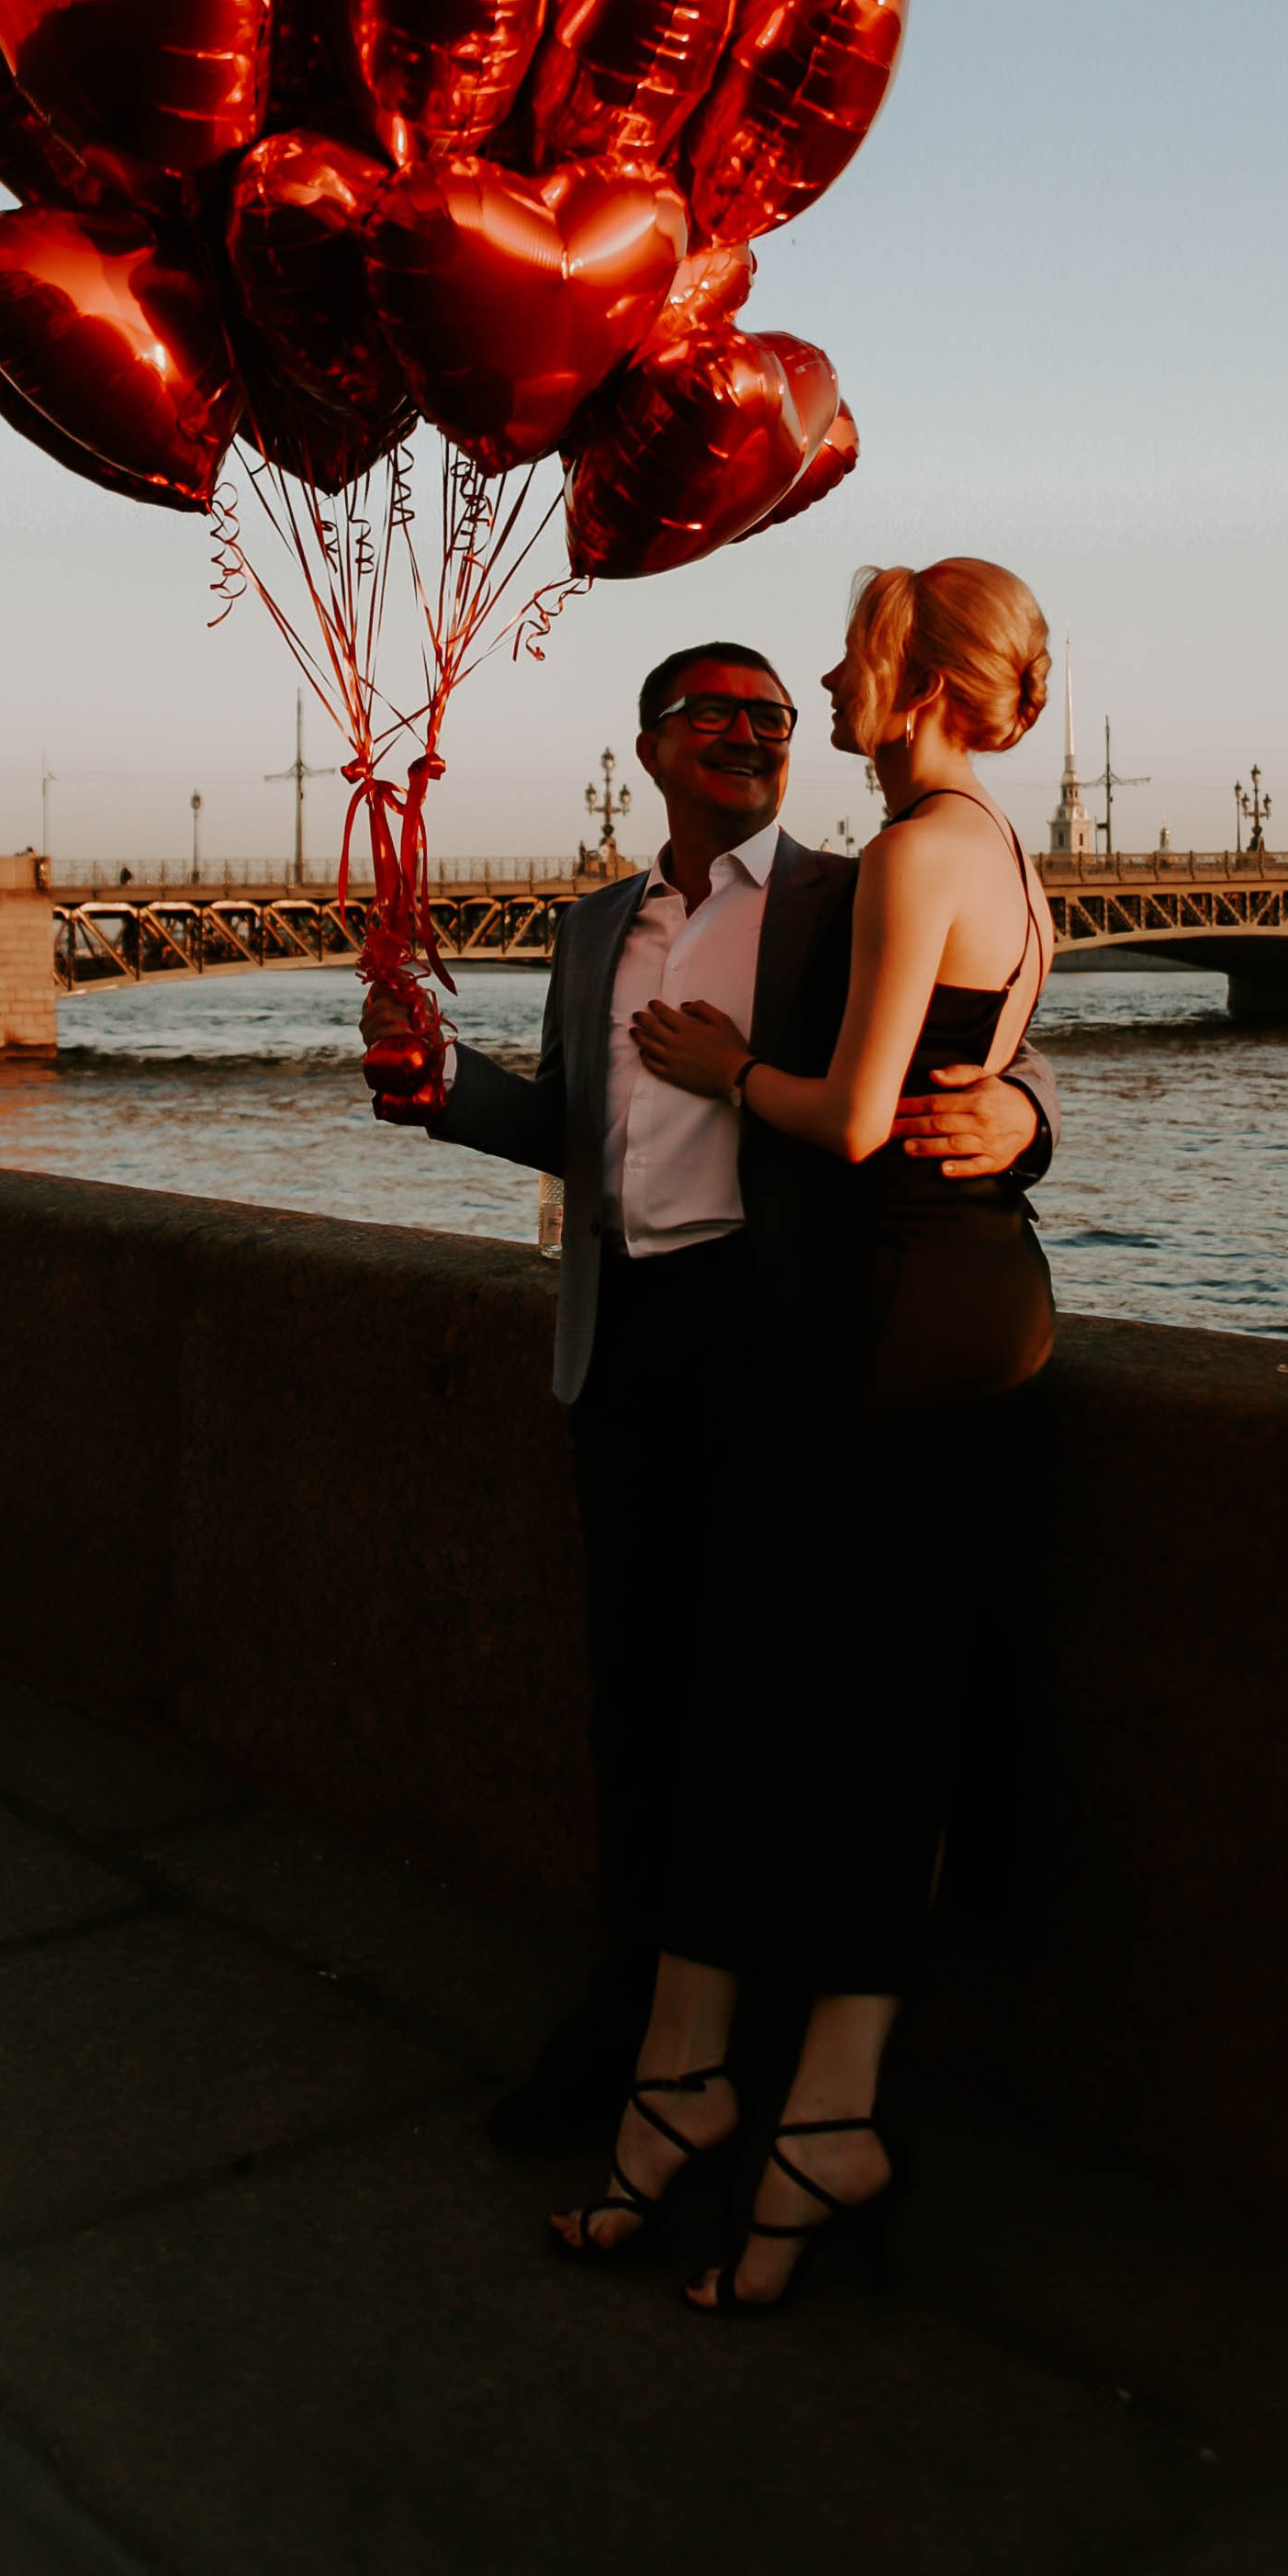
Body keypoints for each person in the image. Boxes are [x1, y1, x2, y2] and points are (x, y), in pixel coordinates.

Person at [360, 638, 1059, 2150]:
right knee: (637, 1688)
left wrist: (1020, 1115)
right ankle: (635, 2010)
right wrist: (444, 1090)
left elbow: (987, 1028)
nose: (750, 736)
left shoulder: (843, 891)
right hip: (622, 1339)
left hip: (776, 1338)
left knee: (763, 1706)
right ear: (650, 748)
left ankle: (731, 2043)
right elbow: (575, 1127)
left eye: (773, 718)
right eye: (716, 715)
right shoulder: (594, 927)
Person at [549, 559, 1058, 2311]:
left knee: (788, 1713)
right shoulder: (997, 852)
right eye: (738, 706)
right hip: (942, 1304)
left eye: (841, 665)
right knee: (862, 1724)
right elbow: (971, 1053)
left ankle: (706, 2088)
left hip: (884, 1326)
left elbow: (857, 1116)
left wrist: (724, 1071)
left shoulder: (898, 857)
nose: (818, 695)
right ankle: (793, 2106)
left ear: (921, 679)